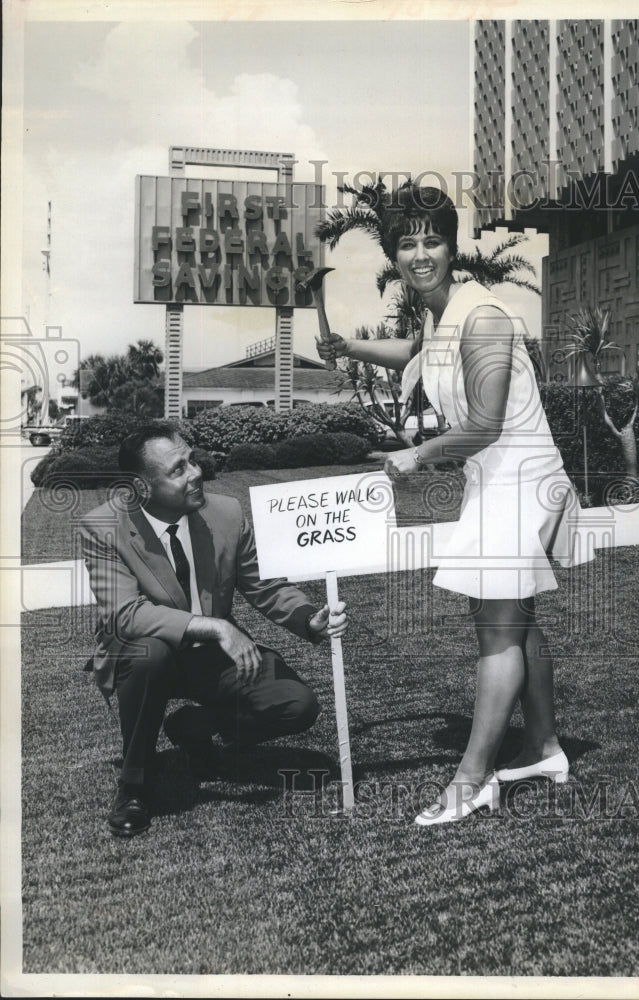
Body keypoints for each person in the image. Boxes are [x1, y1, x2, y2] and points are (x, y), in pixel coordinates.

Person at [316, 184, 593, 825]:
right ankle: (546, 748)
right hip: (496, 480)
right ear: (394, 252)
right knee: (513, 620)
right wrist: (352, 348)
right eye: (406, 243)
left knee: (496, 630)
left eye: (431, 240)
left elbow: (488, 422)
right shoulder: (442, 314)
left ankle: (472, 781)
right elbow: (418, 354)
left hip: (517, 479)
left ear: (453, 246)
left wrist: (416, 455)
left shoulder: (486, 315)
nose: (419, 254)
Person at [80, 422, 348, 838]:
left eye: (191, 459)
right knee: (149, 652)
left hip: (211, 655)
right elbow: (125, 615)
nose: (195, 472)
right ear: (141, 486)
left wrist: (306, 616)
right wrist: (215, 626)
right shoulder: (103, 527)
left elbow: (264, 584)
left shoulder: (225, 512)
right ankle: (134, 784)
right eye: (178, 469)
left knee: (296, 704)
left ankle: (194, 728)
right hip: (145, 651)